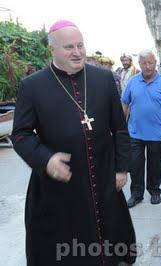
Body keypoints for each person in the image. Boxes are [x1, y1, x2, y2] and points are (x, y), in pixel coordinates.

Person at [11, 20, 136, 265]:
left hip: (103, 175)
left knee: (107, 242)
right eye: (69, 47)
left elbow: (120, 129)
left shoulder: (104, 79)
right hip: (59, 185)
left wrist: (122, 168)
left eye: (80, 45)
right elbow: (21, 134)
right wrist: (45, 159)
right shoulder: (32, 86)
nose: (78, 52)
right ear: (52, 50)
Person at [121, 49, 161, 207]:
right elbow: (124, 103)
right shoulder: (133, 82)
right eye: (144, 63)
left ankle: (154, 191)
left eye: (150, 63)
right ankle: (136, 194)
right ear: (139, 64)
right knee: (135, 165)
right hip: (134, 133)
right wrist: (120, 126)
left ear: (155, 63)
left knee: (154, 165)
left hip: (156, 134)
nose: (147, 66)